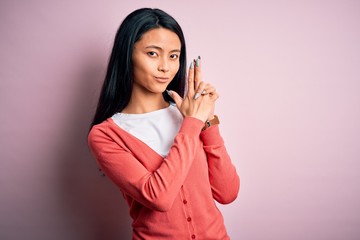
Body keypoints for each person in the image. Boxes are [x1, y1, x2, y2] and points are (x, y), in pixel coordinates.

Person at [88, 8, 240, 240]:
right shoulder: (105, 135)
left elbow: (227, 193)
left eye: (173, 56)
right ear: (127, 54)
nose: (165, 67)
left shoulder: (189, 114)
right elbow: (159, 197)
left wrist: (208, 122)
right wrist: (192, 124)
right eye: (152, 53)